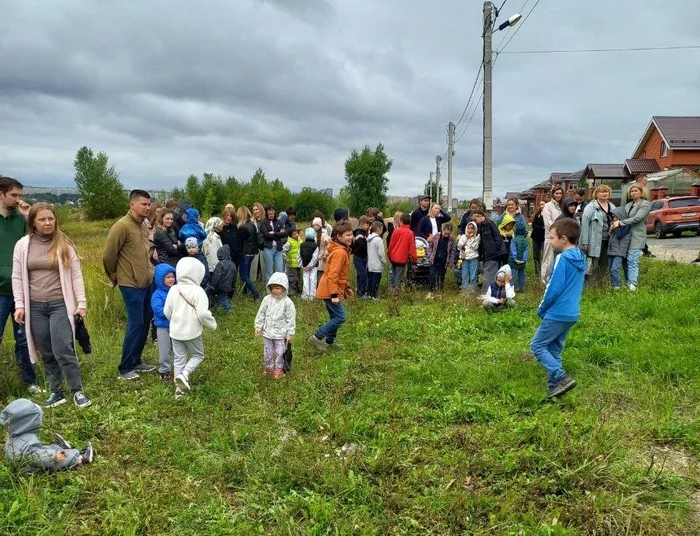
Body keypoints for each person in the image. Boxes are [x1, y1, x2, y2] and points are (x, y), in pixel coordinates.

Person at [12, 202, 91, 409]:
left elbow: (76, 276)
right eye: (42, 219)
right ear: (33, 223)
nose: (47, 223)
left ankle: (77, 391)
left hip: (59, 305)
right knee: (46, 350)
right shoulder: (22, 245)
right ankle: (57, 391)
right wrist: (20, 305)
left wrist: (81, 303)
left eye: (51, 219)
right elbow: (17, 276)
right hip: (35, 307)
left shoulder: (64, 244)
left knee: (63, 348)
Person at [103, 189, 157, 381]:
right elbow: (109, 255)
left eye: (149, 204)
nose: (147, 207)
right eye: (143, 204)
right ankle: (125, 367)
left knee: (145, 321)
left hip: (146, 281)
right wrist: (114, 276)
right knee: (135, 323)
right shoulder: (121, 226)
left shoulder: (143, 225)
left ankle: (136, 360)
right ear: (132, 204)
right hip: (130, 283)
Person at [530, 218, 586, 398]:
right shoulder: (580, 257)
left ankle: (561, 376)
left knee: (537, 346)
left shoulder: (562, 258)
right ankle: (555, 388)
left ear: (563, 239)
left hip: (557, 312)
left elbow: (553, 287)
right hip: (571, 313)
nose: (549, 240)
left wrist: (542, 307)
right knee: (554, 349)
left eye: (552, 237)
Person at [0, 176, 39, 393]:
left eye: (20, 195)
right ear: (1, 194)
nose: (18, 199)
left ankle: (29, 381)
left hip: (20, 292)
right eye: (14, 195)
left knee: (23, 339)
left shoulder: (20, 218)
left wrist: (28, 218)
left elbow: (41, 242)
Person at [164, 257, 217, 399]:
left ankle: (179, 391)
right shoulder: (198, 291)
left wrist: (174, 321)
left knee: (179, 358)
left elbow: (166, 311)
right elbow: (202, 313)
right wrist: (212, 324)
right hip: (192, 332)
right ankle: (184, 374)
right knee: (198, 355)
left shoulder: (174, 289)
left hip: (175, 332)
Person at [0, 398, 94, 474]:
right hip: (31, 468)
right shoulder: (29, 440)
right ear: (29, 422)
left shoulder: (13, 436)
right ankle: (81, 458)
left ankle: (59, 448)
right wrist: (53, 457)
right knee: (60, 459)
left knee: (43, 448)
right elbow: (37, 458)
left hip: (22, 460)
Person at [308, 221, 354, 352]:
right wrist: (334, 295)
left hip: (332, 289)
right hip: (330, 290)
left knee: (335, 317)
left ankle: (330, 342)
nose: (350, 237)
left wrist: (347, 286)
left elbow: (342, 274)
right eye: (347, 235)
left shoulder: (343, 250)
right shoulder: (339, 253)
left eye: (351, 234)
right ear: (339, 237)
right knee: (340, 317)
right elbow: (333, 275)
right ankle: (316, 337)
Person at [254, 272, 296, 378]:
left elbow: (290, 319)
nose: (274, 290)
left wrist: (290, 334)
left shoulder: (288, 303)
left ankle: (278, 368)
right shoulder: (266, 299)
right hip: (267, 332)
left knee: (280, 352)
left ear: (284, 288)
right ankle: (268, 367)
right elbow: (261, 313)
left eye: (277, 288)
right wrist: (258, 326)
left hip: (281, 334)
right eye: (272, 288)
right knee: (267, 351)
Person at [611, 183, 651, 291]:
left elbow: (637, 218)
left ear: (641, 192)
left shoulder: (645, 204)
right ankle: (627, 283)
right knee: (625, 261)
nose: (633, 193)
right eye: (632, 191)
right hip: (625, 237)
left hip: (637, 236)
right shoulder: (628, 205)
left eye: (636, 191)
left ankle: (632, 285)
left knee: (633, 260)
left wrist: (620, 223)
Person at [579, 184, 615, 284]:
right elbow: (585, 225)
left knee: (604, 262)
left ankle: (598, 283)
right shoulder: (591, 207)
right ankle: (590, 284)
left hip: (609, 239)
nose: (604, 194)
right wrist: (585, 242)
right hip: (594, 240)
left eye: (606, 191)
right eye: (602, 192)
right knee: (594, 263)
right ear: (596, 194)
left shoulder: (612, 206)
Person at [470, 209, 507, 293]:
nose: (474, 222)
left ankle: (486, 292)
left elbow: (497, 238)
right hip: (487, 255)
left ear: (480, 216)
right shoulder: (482, 226)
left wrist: (495, 251)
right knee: (487, 273)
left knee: (489, 274)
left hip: (493, 254)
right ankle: (489, 292)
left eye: (475, 220)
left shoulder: (490, 224)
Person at [151, 263, 176, 381]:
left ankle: (179, 368)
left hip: (176, 326)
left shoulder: (176, 291)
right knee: (165, 350)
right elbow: (158, 310)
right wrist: (172, 313)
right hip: (163, 327)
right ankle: (165, 370)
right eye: (168, 277)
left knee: (177, 348)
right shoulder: (157, 295)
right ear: (161, 279)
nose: (171, 279)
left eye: (173, 276)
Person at [387, 213, 418, 291]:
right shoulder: (410, 233)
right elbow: (412, 247)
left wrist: (389, 254)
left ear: (401, 221)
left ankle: (390, 289)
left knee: (393, 274)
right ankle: (396, 293)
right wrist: (415, 258)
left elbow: (391, 244)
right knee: (399, 277)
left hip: (393, 256)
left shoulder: (396, 230)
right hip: (402, 258)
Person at [236, 206, 261, 301]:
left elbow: (240, 242)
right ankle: (244, 292)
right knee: (246, 274)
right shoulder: (252, 224)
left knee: (243, 276)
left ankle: (256, 294)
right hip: (252, 253)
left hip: (245, 253)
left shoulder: (243, 227)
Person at [258, 204, 287, 285]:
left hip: (278, 249)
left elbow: (284, 234)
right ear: (266, 212)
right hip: (268, 248)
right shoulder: (263, 222)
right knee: (269, 270)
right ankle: (269, 290)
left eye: (273, 210)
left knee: (280, 270)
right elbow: (266, 235)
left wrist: (273, 233)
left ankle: (280, 288)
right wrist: (278, 234)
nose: (271, 212)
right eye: (269, 210)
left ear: (275, 211)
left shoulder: (279, 221)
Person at [541, 187, 564, 284]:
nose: (558, 195)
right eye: (556, 193)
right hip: (551, 236)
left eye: (560, 193)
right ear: (553, 194)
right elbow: (548, 222)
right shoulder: (548, 206)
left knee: (559, 259)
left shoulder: (563, 205)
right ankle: (544, 280)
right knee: (548, 259)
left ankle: (556, 280)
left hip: (563, 237)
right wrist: (556, 231)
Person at [217, 206, 242, 294]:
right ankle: (223, 295)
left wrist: (239, 253)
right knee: (225, 277)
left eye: (231, 216)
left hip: (236, 256)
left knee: (233, 277)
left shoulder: (234, 228)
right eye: (227, 215)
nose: (229, 218)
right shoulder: (219, 228)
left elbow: (238, 241)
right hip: (225, 258)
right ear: (224, 216)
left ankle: (231, 295)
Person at [607, 208, 632, 290]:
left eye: (616, 217)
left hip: (620, 252)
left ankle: (618, 286)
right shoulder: (613, 226)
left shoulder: (626, 227)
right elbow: (611, 238)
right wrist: (610, 230)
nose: (614, 219)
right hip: (612, 251)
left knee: (615, 269)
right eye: (613, 217)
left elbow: (619, 235)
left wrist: (617, 227)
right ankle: (614, 286)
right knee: (611, 270)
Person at [428, 222, 455, 295]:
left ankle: (440, 291)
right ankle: (431, 291)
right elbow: (431, 245)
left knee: (441, 276)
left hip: (444, 260)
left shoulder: (451, 239)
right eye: (445, 233)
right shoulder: (436, 236)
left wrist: (451, 262)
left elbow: (452, 251)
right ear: (442, 230)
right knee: (432, 275)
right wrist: (430, 255)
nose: (446, 235)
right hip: (434, 259)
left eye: (448, 234)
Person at [210, 245, 237, 312]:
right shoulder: (233, 264)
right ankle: (221, 308)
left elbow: (216, 276)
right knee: (224, 297)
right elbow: (234, 277)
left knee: (222, 298)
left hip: (220, 286)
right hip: (229, 286)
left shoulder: (220, 264)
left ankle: (228, 310)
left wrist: (213, 285)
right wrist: (233, 286)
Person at [457, 221, 480, 292]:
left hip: (473, 257)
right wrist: (466, 238)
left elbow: (475, 247)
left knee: (473, 274)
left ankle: (472, 289)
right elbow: (459, 246)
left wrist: (472, 238)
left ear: (475, 229)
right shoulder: (463, 236)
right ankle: (465, 290)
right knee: (465, 274)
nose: (470, 230)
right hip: (465, 258)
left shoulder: (477, 237)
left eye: (472, 228)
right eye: (468, 228)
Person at [366, 220, 386, 299]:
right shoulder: (378, 240)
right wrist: (384, 262)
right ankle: (374, 296)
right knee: (376, 282)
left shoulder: (369, 239)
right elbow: (381, 253)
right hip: (377, 265)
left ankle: (369, 294)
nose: (382, 231)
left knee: (370, 281)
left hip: (370, 264)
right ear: (378, 229)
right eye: (381, 229)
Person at [352, 216, 370, 298]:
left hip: (363, 257)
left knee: (360, 275)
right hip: (358, 256)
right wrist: (368, 247)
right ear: (361, 224)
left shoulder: (364, 233)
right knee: (363, 274)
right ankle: (362, 293)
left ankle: (359, 291)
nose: (368, 227)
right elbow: (361, 245)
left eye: (368, 225)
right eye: (366, 225)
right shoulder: (359, 234)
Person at [509, 221, 530, 293]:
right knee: (521, 275)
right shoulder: (526, 241)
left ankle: (511, 288)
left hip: (513, 261)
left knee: (512, 275)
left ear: (516, 232)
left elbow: (513, 250)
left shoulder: (513, 240)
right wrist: (524, 260)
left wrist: (515, 259)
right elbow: (526, 252)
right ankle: (521, 288)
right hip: (522, 262)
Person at [299, 227, 319, 301]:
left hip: (304, 266)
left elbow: (299, 256)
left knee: (306, 280)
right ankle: (312, 296)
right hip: (313, 267)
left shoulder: (301, 245)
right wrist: (310, 266)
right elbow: (315, 258)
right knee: (313, 280)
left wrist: (302, 265)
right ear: (314, 235)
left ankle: (305, 295)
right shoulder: (315, 245)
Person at [282, 228, 302, 297]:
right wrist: (287, 259)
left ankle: (298, 291)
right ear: (290, 236)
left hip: (298, 264)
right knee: (292, 278)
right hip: (291, 264)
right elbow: (283, 251)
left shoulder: (300, 241)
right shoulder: (289, 243)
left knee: (298, 278)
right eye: (294, 234)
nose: (296, 235)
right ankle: (292, 292)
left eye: (297, 233)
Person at [313, 217, 331, 288]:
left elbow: (328, 245)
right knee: (315, 273)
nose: (315, 226)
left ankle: (320, 289)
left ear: (320, 225)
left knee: (320, 273)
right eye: (314, 225)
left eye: (316, 225)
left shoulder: (324, 234)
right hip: (315, 255)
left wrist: (325, 254)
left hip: (322, 256)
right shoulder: (313, 233)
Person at [250, 203, 265, 283]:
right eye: (254, 210)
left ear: (260, 209)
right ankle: (254, 284)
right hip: (254, 247)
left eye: (256, 209)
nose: (255, 211)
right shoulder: (251, 221)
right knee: (254, 267)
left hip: (264, 247)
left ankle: (263, 284)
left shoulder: (266, 221)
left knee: (264, 267)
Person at [531, 200, 546, 277]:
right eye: (540, 204)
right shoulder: (537, 214)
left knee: (544, 255)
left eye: (542, 204)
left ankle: (544, 272)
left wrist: (540, 226)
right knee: (536, 256)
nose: (541, 206)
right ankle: (537, 272)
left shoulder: (547, 214)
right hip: (536, 237)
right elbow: (533, 225)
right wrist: (541, 227)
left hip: (544, 238)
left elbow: (546, 226)